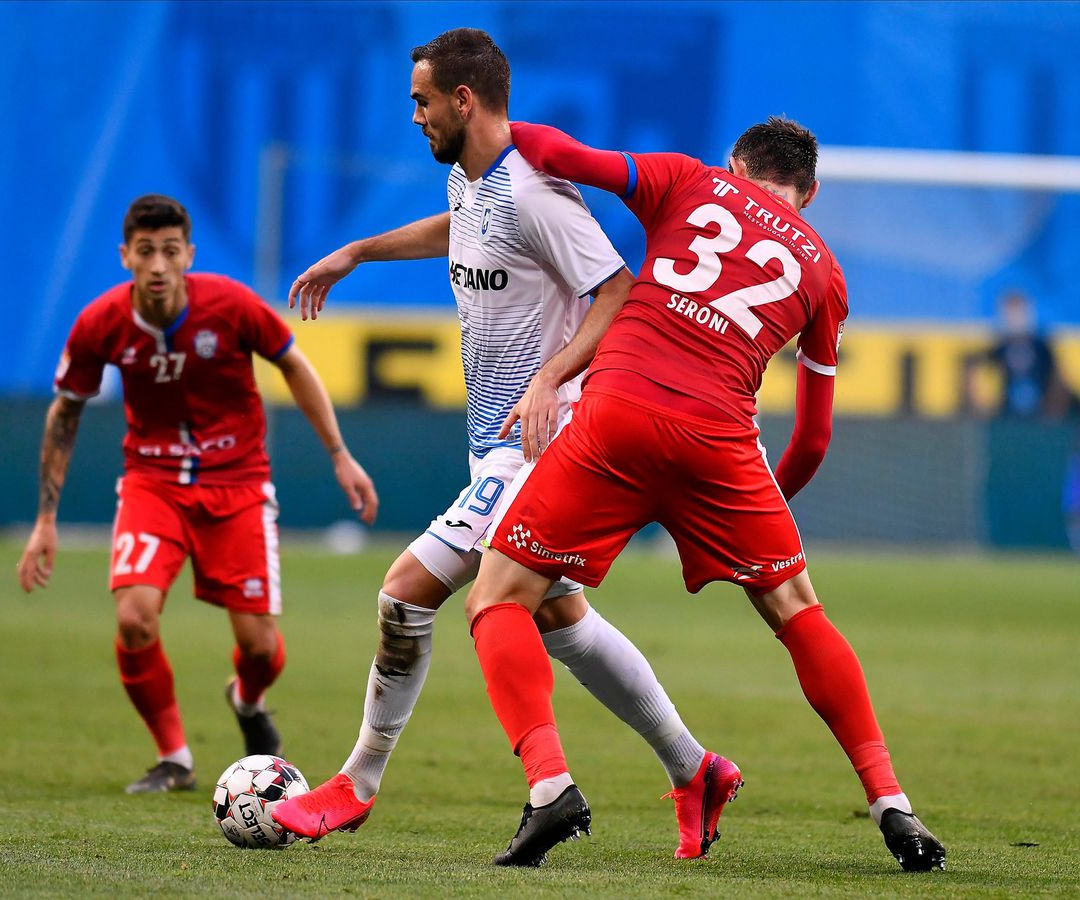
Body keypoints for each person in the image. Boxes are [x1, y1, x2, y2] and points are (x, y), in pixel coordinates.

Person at [270, 28, 738, 864]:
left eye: (420, 101)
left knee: (406, 593)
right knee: (560, 620)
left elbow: (620, 287)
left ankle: (371, 784)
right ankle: (694, 769)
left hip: (546, 444)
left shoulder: (534, 189)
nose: (412, 116)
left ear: (464, 100)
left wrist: (552, 375)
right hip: (499, 447)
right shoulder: (470, 180)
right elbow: (456, 226)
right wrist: (356, 252)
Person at [461, 118, 947, 872]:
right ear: (808, 194)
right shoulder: (822, 270)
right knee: (798, 612)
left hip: (618, 413)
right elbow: (814, 438)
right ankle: (894, 805)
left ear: (735, 164)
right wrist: (753, 507)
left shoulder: (688, 179)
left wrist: (496, 119)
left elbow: (562, 157)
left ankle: (550, 785)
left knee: (497, 598)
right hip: (722, 446)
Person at [16, 194, 378, 793]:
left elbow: (294, 366)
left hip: (237, 485)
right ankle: (175, 758)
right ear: (125, 255)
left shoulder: (231, 305)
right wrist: (45, 520)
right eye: (145, 251)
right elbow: (66, 412)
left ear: (188, 254)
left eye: (169, 250)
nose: (157, 264)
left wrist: (340, 456)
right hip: (151, 484)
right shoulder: (99, 323)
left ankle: (247, 699)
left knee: (260, 647)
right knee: (134, 618)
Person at [964, 290, 1076, 418]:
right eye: (1010, 309)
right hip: (1008, 416)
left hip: (1042, 415)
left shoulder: (1042, 348)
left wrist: (1052, 412)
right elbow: (972, 364)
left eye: (1018, 308)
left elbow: (1059, 381)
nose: (1014, 315)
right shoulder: (1001, 348)